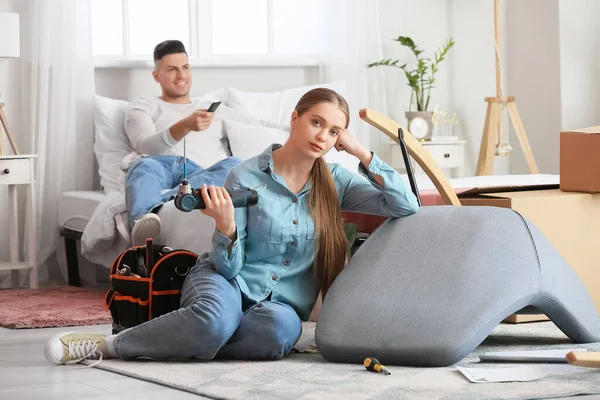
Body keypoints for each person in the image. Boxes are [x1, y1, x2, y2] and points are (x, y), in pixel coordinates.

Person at [44, 88, 420, 365]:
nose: (323, 135)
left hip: (281, 305)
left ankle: (187, 336)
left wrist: (361, 152)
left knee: (275, 335)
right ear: (295, 118)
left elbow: (405, 205)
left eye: (334, 131)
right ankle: (109, 345)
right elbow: (227, 267)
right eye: (317, 122)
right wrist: (226, 228)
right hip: (225, 279)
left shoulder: (336, 180)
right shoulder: (245, 175)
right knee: (212, 320)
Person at [124, 39, 244, 245]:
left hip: (200, 173)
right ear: (156, 75)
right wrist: (186, 125)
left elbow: (259, 123)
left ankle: (161, 206)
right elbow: (145, 146)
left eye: (185, 67)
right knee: (142, 166)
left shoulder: (210, 108)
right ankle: (143, 225)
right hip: (158, 165)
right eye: (172, 69)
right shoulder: (144, 105)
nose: (181, 75)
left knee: (235, 165)